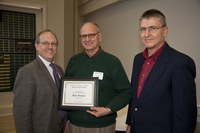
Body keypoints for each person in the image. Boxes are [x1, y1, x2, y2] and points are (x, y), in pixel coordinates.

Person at [126, 9, 197, 133]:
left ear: (165, 31)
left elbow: (185, 114)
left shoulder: (180, 63)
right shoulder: (138, 59)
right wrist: (130, 123)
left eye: (153, 28)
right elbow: (135, 97)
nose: (146, 34)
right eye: (143, 29)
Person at [64, 22, 132, 133]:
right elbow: (66, 93)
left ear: (99, 36)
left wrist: (108, 109)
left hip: (102, 126)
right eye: (83, 36)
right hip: (74, 125)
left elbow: (126, 92)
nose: (87, 39)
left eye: (91, 35)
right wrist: (66, 121)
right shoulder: (73, 61)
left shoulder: (112, 62)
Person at [13, 29, 67, 133]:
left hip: (60, 127)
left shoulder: (59, 69)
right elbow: (21, 113)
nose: (50, 47)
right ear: (37, 46)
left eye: (53, 43)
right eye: (45, 43)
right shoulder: (27, 71)